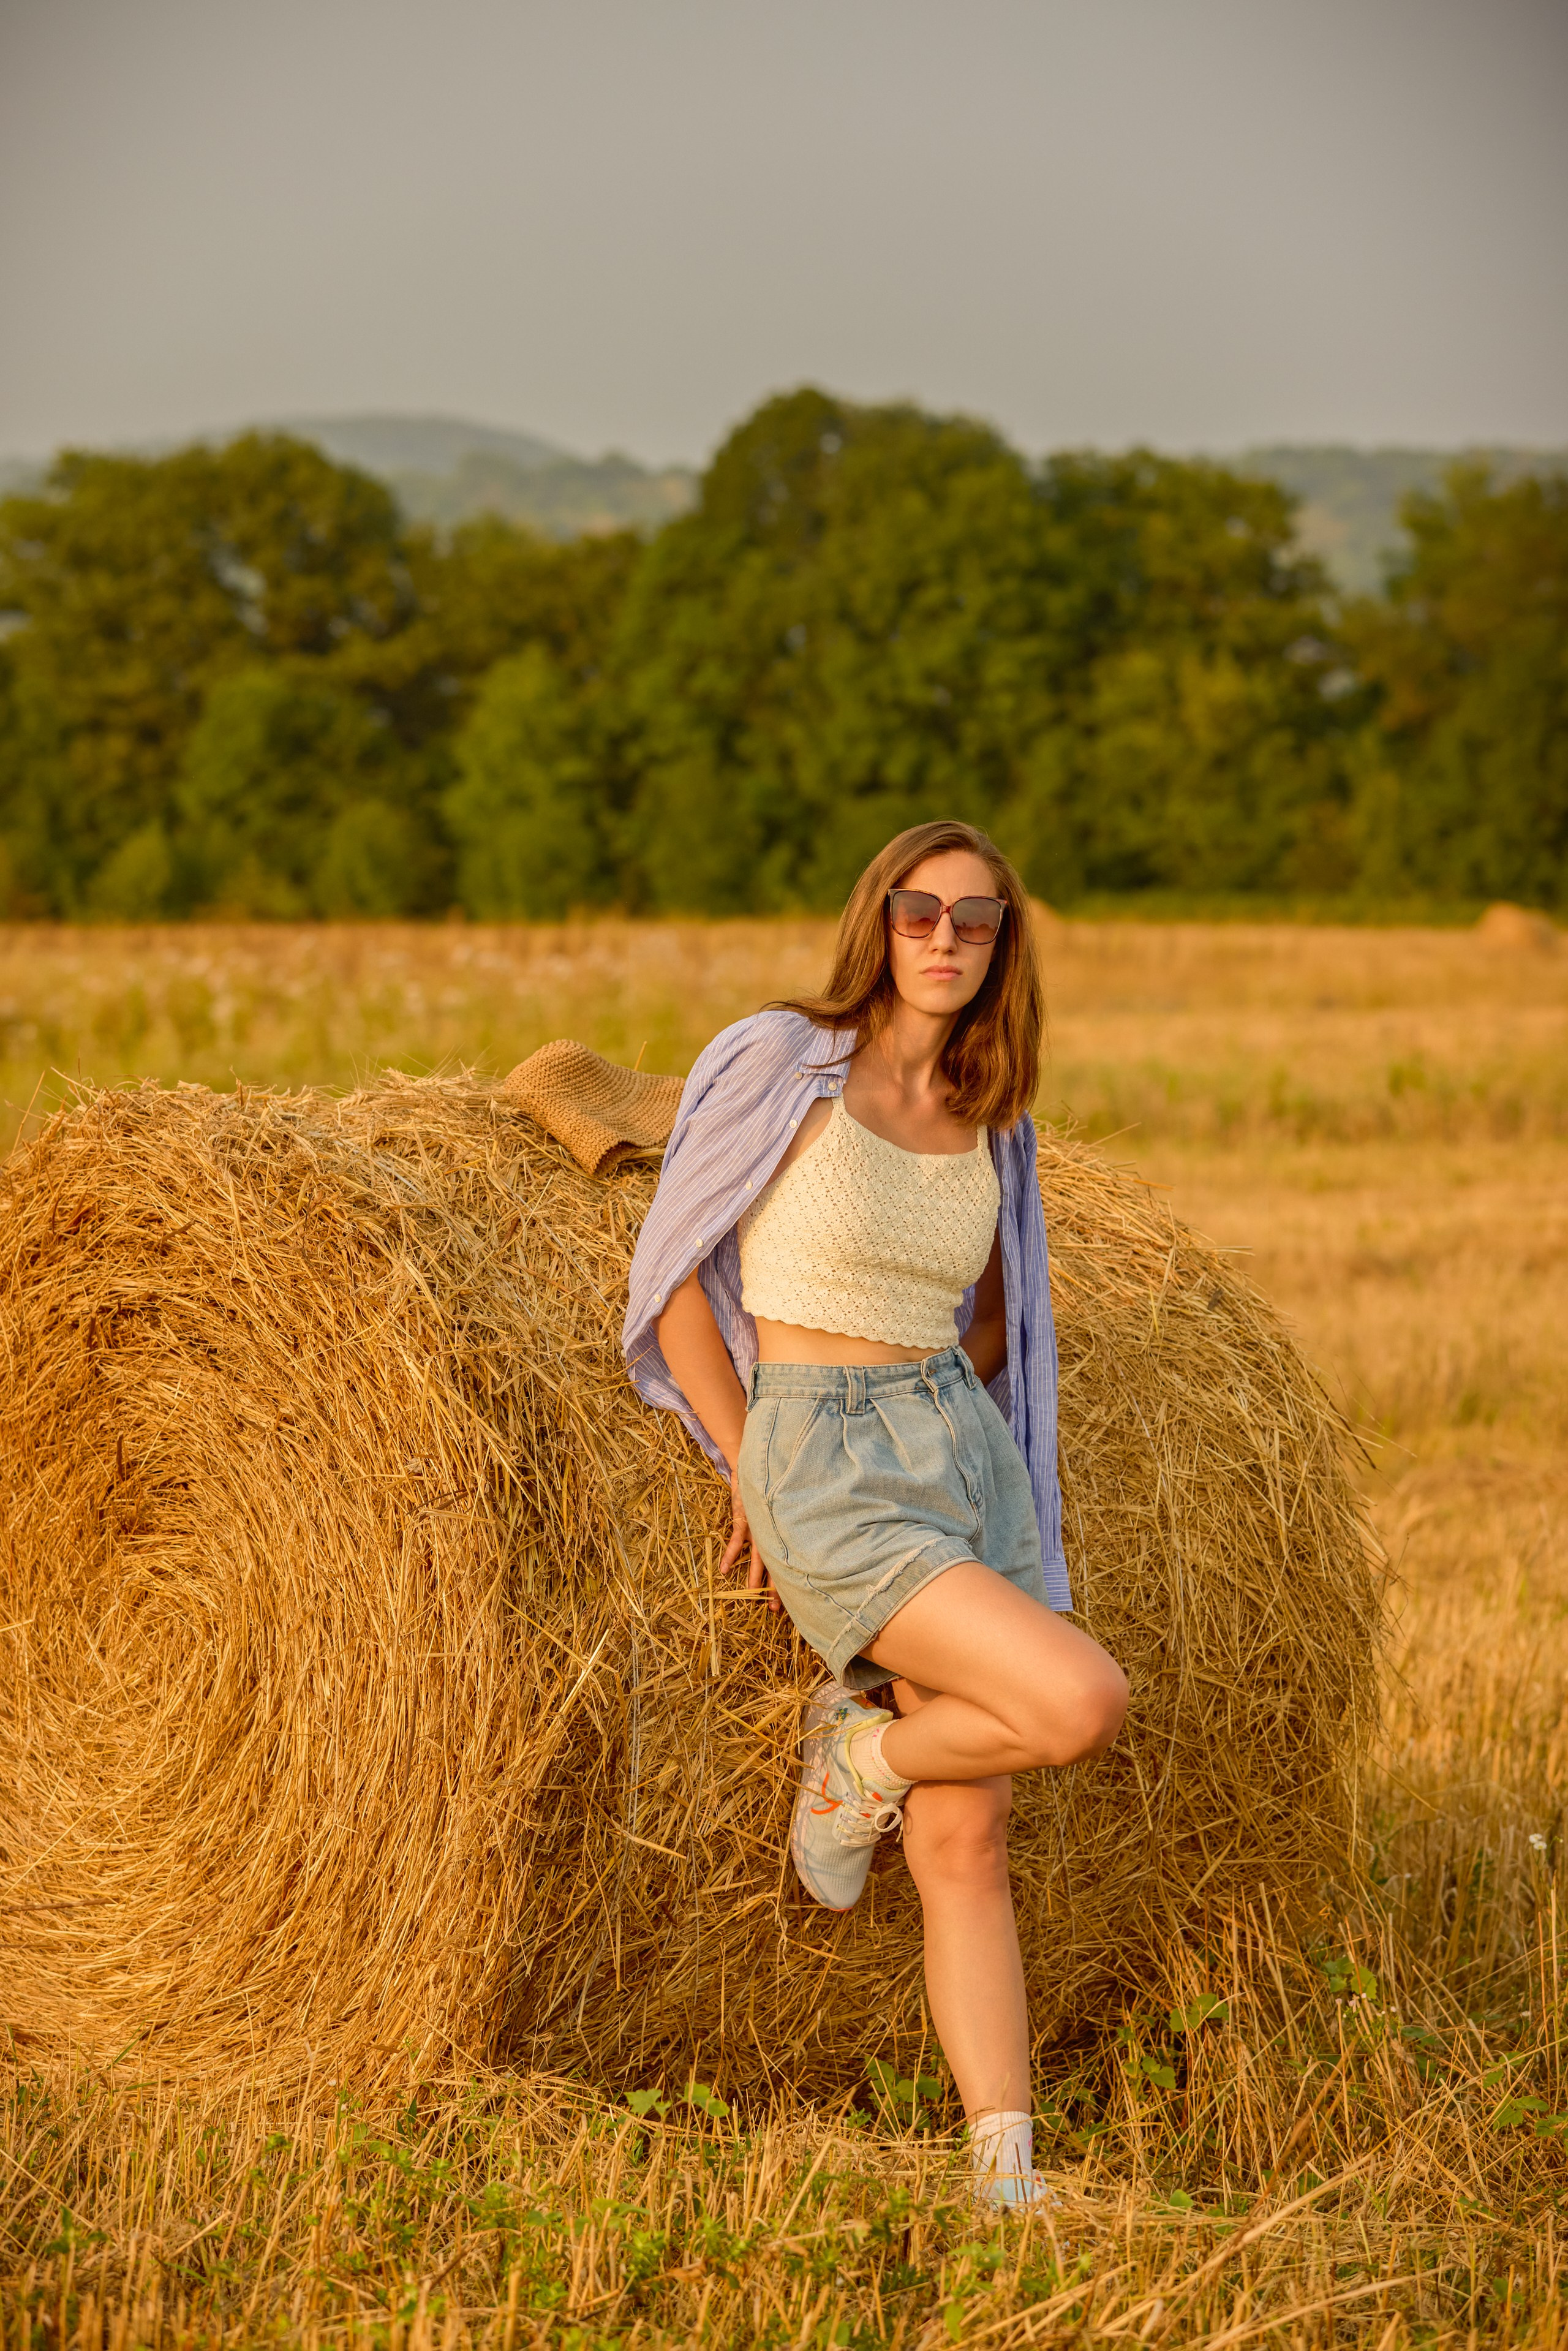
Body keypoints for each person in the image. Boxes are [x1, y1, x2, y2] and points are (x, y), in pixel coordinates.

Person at [622, 820, 1128, 2208]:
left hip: (959, 1454)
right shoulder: (781, 1059)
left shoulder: (989, 1109)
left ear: (1003, 945)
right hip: (823, 1452)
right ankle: (862, 1754)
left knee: (968, 1837)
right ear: (879, 917)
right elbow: (671, 1269)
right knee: (1081, 1699)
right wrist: (749, 1456)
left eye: (975, 920)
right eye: (921, 911)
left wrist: (941, 1409)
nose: (944, 938)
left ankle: (1001, 2172)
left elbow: (990, 1317)